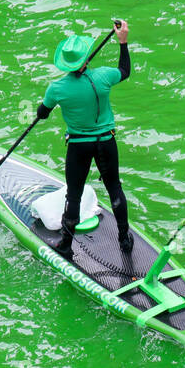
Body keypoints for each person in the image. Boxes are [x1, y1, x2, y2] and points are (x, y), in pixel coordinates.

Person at [35, 20, 133, 258]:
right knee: (115, 189)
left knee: (74, 194)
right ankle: (124, 239)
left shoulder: (56, 88)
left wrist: (42, 111)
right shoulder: (104, 76)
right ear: (87, 58)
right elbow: (125, 71)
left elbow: (43, 112)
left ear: (67, 64)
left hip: (79, 146)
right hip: (106, 142)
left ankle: (66, 244)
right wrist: (123, 42)